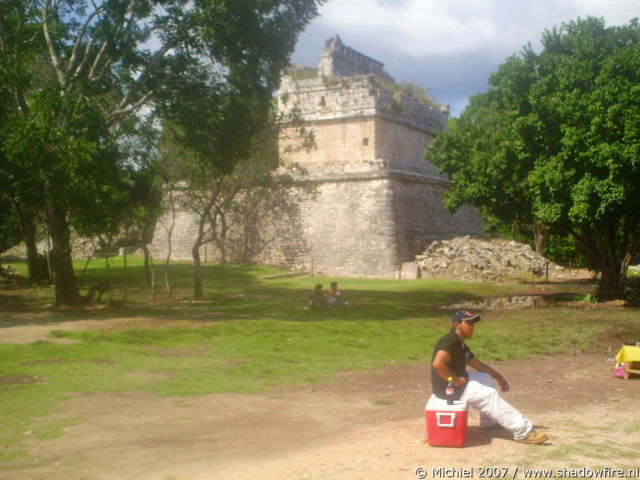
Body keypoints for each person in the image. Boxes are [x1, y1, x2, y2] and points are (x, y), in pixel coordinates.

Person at [430, 310, 549, 444]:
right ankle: (523, 432)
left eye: (473, 323)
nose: (472, 326)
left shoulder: (460, 344)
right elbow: (438, 364)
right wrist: (456, 380)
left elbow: (478, 365)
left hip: (455, 383)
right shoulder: (450, 340)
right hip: (448, 389)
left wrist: (498, 377)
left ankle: (488, 423)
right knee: (487, 394)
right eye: (468, 323)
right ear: (457, 324)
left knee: (485, 378)